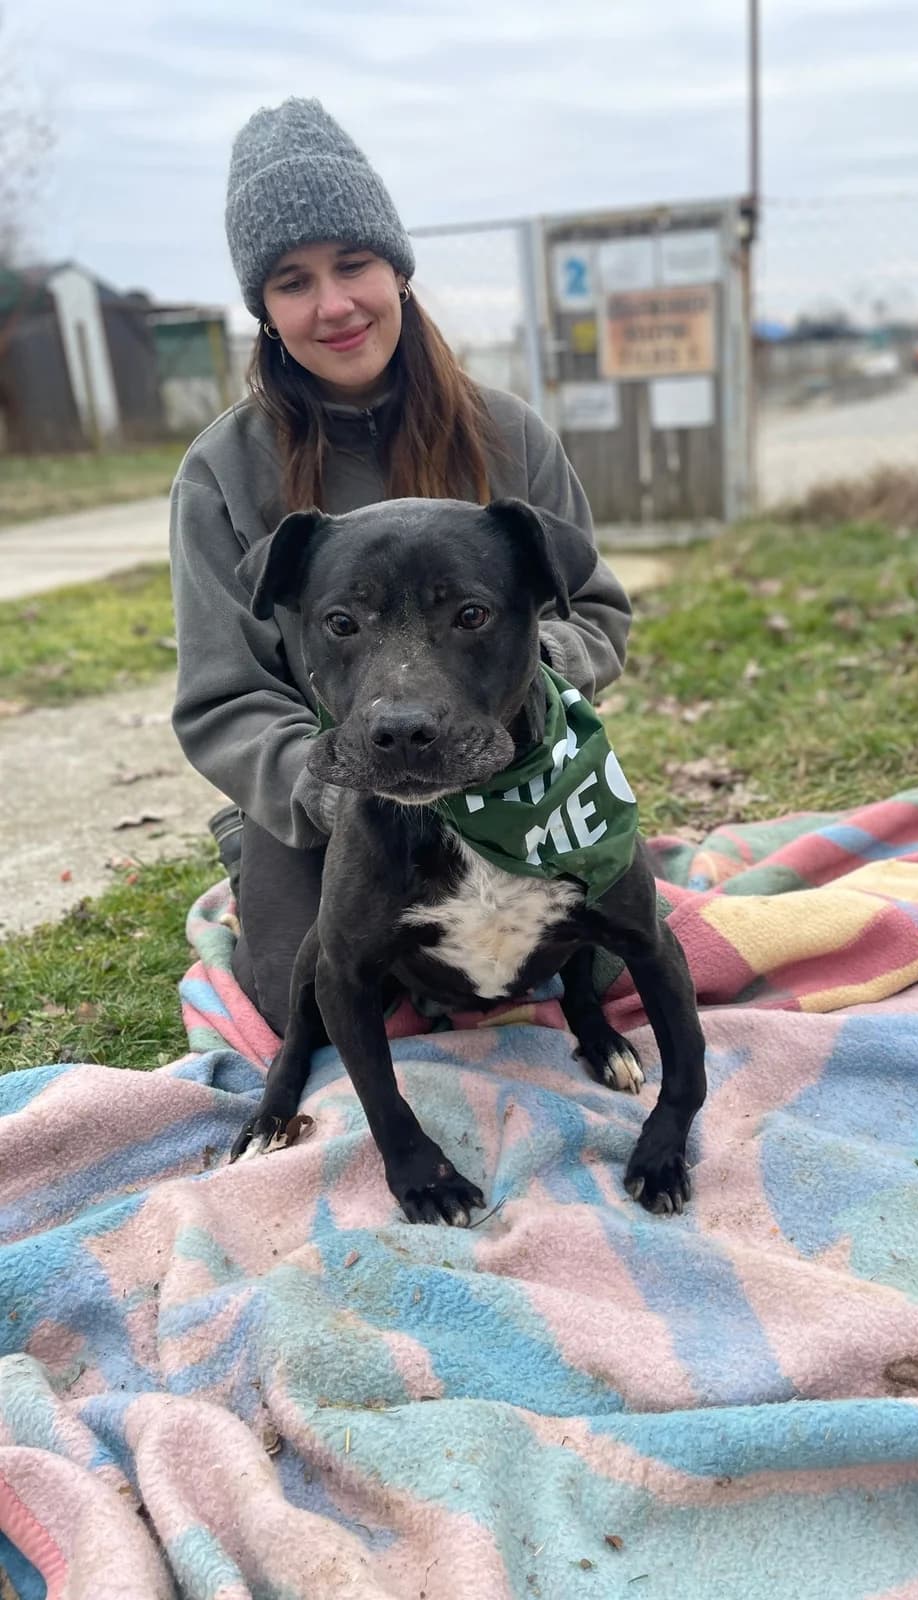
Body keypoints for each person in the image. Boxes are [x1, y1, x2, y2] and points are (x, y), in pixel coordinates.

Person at [169, 98, 631, 1032]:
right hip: (337, 790)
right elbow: (223, 695)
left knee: (598, 968)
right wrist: (321, 785)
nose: (333, 305)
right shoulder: (223, 472)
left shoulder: (508, 435)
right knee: (310, 1002)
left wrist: (514, 685)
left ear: (399, 272)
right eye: (293, 281)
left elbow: (595, 615)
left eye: (353, 265)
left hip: (508, 770)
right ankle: (252, 846)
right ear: (263, 308)